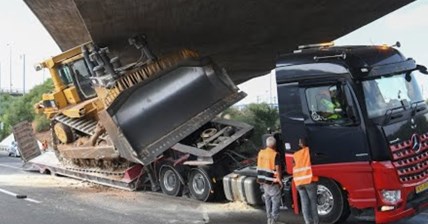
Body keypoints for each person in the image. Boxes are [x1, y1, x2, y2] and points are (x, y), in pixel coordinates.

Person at [257, 136, 284, 224]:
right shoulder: (275, 154)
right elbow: (278, 169)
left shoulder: (261, 153)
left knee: (267, 199)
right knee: (276, 200)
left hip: (263, 180)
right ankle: (274, 220)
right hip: (272, 181)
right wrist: (280, 181)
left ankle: (269, 219)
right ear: (275, 145)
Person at [293, 138, 319, 224]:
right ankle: (316, 222)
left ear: (300, 144)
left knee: (304, 204)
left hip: (299, 183)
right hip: (309, 181)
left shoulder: (295, 154)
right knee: (313, 203)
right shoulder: (310, 152)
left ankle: (307, 222)